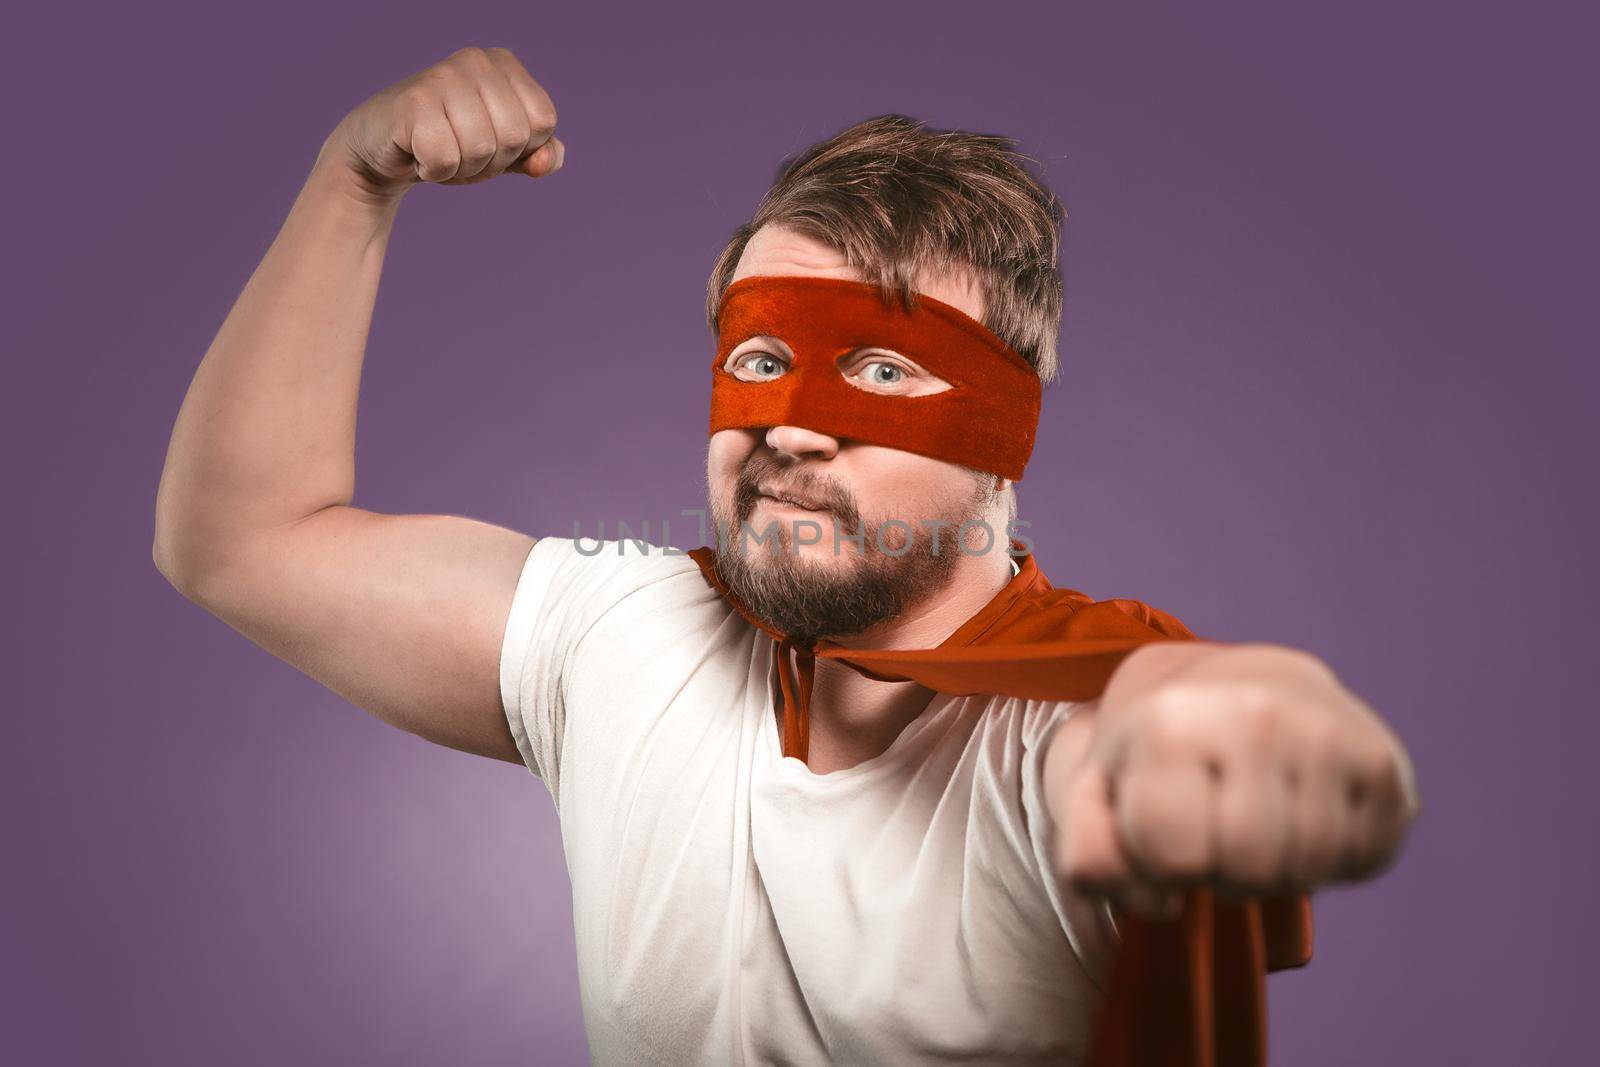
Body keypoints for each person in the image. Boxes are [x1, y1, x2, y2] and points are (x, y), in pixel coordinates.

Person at [152, 45, 1419, 1065]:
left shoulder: (1062, 729)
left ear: (1005, 429)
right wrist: (348, 185)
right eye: (758, 359)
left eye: (878, 371)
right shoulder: (618, 636)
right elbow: (240, 541)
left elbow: (1155, 731)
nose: (790, 419)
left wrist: (1233, 731)